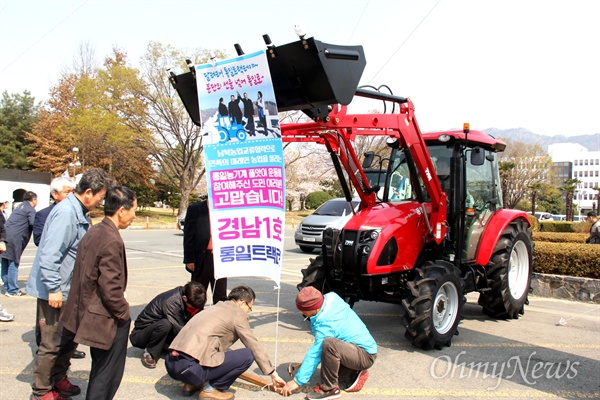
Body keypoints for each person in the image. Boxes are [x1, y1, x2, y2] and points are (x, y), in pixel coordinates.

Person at [26, 168, 114, 400]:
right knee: (52, 343)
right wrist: (54, 288)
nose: (100, 202)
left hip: (69, 290)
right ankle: (42, 391)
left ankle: (57, 379)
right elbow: (50, 254)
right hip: (56, 291)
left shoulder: (78, 212)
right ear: (87, 192)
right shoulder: (66, 213)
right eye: (100, 197)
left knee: (67, 340)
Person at [60, 186, 136, 400]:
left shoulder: (96, 230)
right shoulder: (111, 239)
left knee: (101, 369)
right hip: (105, 317)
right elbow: (110, 287)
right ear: (121, 210)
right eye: (133, 210)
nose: (134, 215)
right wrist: (123, 312)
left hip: (90, 312)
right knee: (107, 374)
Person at [165, 285, 285, 400]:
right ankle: (210, 389)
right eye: (250, 308)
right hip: (190, 369)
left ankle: (189, 385)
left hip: (171, 364)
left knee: (209, 351)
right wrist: (272, 373)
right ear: (243, 302)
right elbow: (253, 345)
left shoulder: (214, 308)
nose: (248, 312)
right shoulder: (238, 314)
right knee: (247, 355)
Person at [281, 287, 378, 399]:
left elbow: (315, 353)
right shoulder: (331, 298)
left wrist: (297, 381)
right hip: (355, 349)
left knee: (329, 345)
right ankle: (352, 372)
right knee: (330, 360)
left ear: (313, 308)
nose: (302, 313)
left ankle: (329, 389)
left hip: (364, 355)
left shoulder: (326, 323)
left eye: (303, 310)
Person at [130, 281, 206, 370]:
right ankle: (150, 352)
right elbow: (179, 329)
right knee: (165, 324)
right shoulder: (171, 301)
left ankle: (164, 346)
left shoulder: (191, 296)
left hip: (166, 332)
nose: (195, 309)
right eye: (192, 307)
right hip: (142, 334)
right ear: (185, 298)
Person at [183, 199, 227, 304]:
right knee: (196, 294)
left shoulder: (226, 210)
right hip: (201, 258)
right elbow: (188, 236)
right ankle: (194, 319)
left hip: (220, 258)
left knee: (220, 295)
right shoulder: (196, 209)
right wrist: (189, 259)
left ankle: (220, 319)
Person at [1, 191, 37, 296]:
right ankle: (13, 290)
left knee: (5, 262)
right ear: (34, 200)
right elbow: (34, 223)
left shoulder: (19, 207)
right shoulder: (30, 209)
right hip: (15, 239)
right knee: (13, 262)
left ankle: (7, 287)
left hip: (5, 236)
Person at [33, 177, 76, 247]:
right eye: (67, 192)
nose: (71, 196)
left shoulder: (78, 212)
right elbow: (39, 240)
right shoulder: (44, 214)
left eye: (73, 192)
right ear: (55, 194)